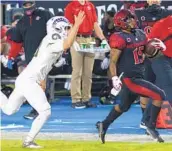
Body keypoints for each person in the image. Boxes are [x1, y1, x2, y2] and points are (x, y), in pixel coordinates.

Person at [0, 11, 85, 148]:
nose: (69, 30)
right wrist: (77, 25)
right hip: (29, 80)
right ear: (58, 28)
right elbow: (67, 44)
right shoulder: (54, 37)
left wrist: (42, 80)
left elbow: (44, 63)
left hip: (26, 78)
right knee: (45, 111)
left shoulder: (51, 39)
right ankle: (28, 141)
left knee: (9, 110)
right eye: (67, 27)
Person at [96, 9, 166, 143]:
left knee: (123, 106)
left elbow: (148, 54)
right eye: (129, 19)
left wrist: (159, 48)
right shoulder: (119, 37)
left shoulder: (140, 33)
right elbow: (113, 61)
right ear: (121, 22)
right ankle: (151, 127)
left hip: (138, 75)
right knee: (159, 95)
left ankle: (103, 125)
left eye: (132, 18)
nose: (133, 21)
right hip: (129, 78)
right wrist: (115, 78)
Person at [7, 0, 54, 120]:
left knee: (40, 82)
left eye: (29, 4)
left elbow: (56, 32)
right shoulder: (21, 22)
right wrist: (11, 56)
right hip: (31, 58)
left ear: (34, 4)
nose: (28, 7)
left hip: (45, 55)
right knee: (37, 82)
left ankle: (38, 110)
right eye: (26, 5)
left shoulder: (45, 15)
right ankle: (41, 108)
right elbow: (17, 42)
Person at [65, 0, 109, 109]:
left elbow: (95, 24)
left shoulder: (90, 5)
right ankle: (75, 99)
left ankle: (86, 99)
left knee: (88, 72)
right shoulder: (71, 6)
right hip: (77, 38)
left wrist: (103, 39)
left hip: (89, 39)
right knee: (77, 71)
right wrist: (72, 40)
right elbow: (69, 25)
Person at [135, 0, 172, 129]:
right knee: (161, 86)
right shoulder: (160, 23)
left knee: (161, 87)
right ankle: (146, 118)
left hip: (167, 56)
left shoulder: (166, 16)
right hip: (155, 56)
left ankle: (146, 119)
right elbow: (145, 42)